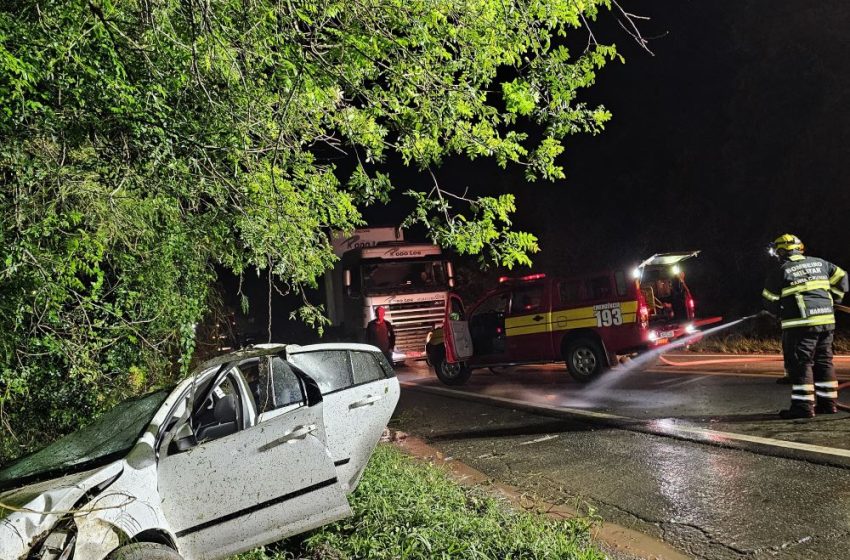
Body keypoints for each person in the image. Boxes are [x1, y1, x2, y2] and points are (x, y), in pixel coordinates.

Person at [762, 234, 848, 418]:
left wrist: (778, 313)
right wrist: (835, 298)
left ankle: (803, 407)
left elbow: (769, 299)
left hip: (801, 324)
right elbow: (842, 277)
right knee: (824, 361)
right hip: (826, 321)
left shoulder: (781, 270)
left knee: (801, 363)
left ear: (781, 251)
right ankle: (828, 404)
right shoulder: (821, 263)